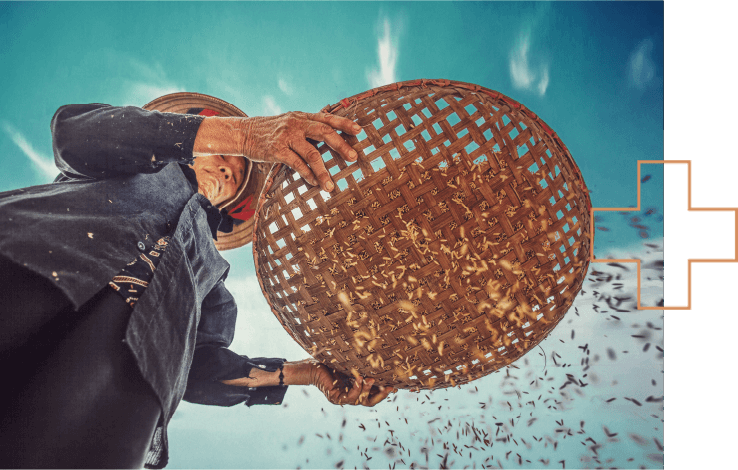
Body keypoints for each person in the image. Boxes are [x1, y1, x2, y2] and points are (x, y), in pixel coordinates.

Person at [0, 93, 394, 469]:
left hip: (118, 384)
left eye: (238, 174)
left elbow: (200, 372)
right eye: (223, 155)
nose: (227, 167)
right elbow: (73, 132)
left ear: (234, 205)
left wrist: (306, 373)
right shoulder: (127, 158)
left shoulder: (212, 283)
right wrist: (245, 134)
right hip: (23, 265)